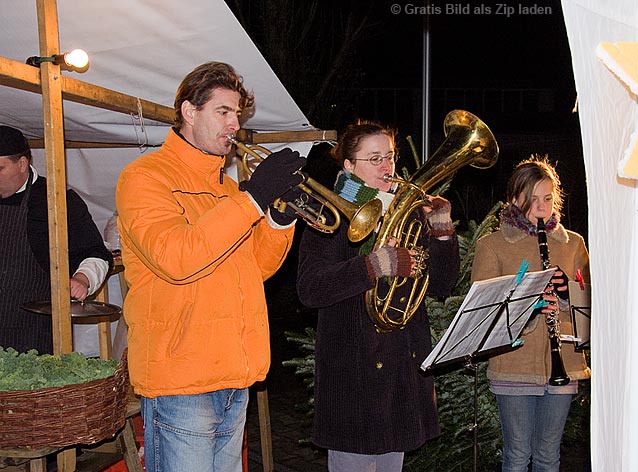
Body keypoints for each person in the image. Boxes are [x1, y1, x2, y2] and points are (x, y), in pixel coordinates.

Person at [115, 61, 306, 472]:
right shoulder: (145, 178)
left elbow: (253, 268)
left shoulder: (228, 187)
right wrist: (253, 199)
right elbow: (177, 259)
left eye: (237, 113)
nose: (234, 123)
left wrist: (280, 220)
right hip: (183, 379)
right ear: (188, 111)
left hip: (233, 373)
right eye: (223, 111)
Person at [297, 120, 460, 471]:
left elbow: (442, 285)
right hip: (352, 374)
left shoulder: (407, 212)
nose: (387, 167)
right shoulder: (331, 212)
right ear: (349, 166)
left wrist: (443, 231)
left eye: (389, 156)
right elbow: (311, 289)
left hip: (401, 370)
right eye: (374, 159)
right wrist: (372, 266)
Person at [470, 155, 590, 472]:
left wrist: (566, 297)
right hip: (513, 364)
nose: (541, 207)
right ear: (514, 199)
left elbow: (590, 310)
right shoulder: (492, 245)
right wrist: (528, 306)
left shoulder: (573, 244)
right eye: (532, 199)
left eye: (548, 198)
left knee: (549, 455)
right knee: (518, 454)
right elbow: (483, 312)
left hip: (564, 362)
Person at [0, 125, 113, 355]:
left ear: (22, 164)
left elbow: (97, 253)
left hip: (33, 337)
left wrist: (83, 278)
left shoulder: (57, 200)